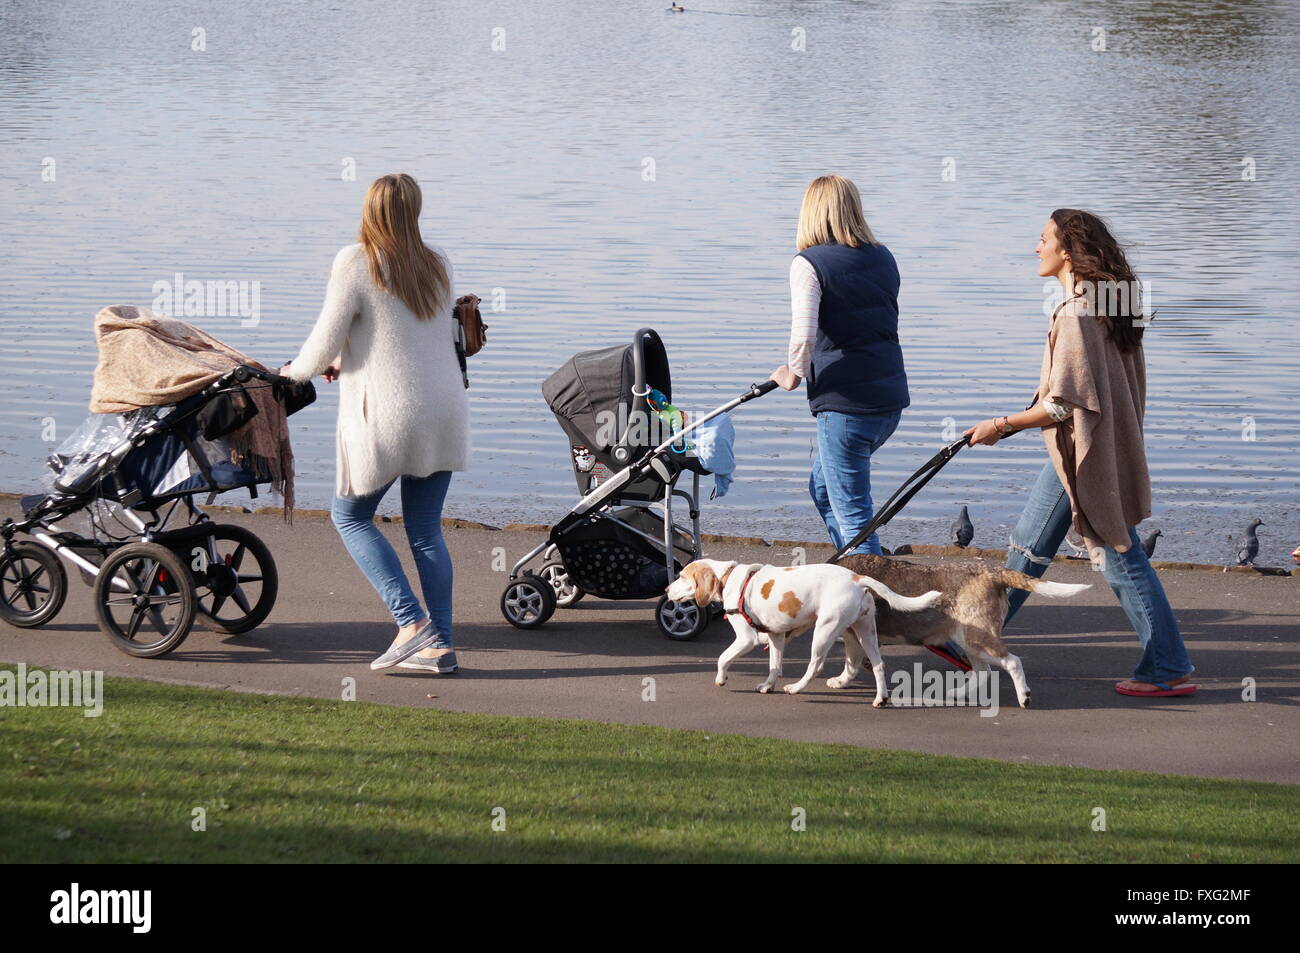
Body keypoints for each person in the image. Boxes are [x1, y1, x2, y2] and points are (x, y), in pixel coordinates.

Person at [962, 209, 1195, 697]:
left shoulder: (1077, 311)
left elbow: (1065, 405)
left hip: (1089, 451)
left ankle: (1168, 666)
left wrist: (1000, 426)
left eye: (1043, 239)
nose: (1036, 247)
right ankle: (973, 641)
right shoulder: (1114, 302)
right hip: (1094, 447)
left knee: (1118, 550)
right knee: (1028, 543)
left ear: (1067, 251)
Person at [282, 173, 469, 674]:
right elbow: (410, 336)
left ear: (370, 208)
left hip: (391, 416)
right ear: (415, 210)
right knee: (426, 529)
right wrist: (350, 359)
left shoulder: (356, 261)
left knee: (350, 516)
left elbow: (324, 340)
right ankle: (441, 647)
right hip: (443, 411)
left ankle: (411, 623)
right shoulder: (437, 262)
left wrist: (290, 373)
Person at [770, 174, 909, 556]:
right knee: (823, 490)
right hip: (889, 402)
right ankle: (852, 576)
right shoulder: (883, 256)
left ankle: (872, 600)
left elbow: (803, 335)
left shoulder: (808, 264)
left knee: (853, 517)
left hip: (845, 406)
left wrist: (792, 373)